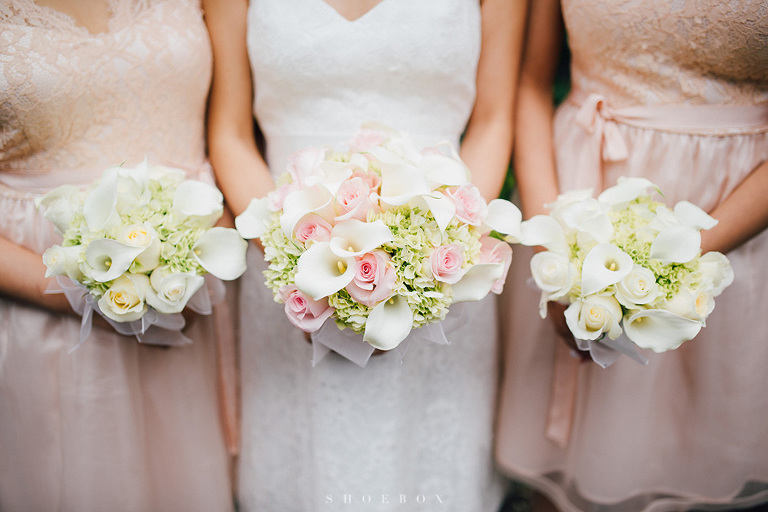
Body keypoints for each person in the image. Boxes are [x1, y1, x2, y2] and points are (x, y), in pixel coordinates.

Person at [204, 0, 526, 509]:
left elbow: (492, 120)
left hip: (441, 262)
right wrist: (295, 252)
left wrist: (446, 249)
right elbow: (230, 133)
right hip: (289, 257)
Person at [496, 0, 768, 511]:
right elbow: (531, 82)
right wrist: (551, 249)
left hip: (729, 226)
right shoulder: (556, 239)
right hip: (573, 201)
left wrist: (675, 265)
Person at [0, 1, 236, 510]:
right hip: (39, 305)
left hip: (193, 286)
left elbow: (233, 131)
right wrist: (87, 293)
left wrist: (204, 242)